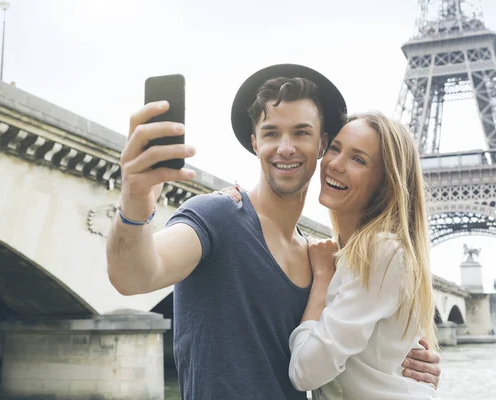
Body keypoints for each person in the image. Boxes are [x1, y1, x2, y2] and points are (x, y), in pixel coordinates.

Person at [106, 64, 440, 400]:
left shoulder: (320, 259)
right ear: (254, 142)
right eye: (270, 133)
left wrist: (409, 366)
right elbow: (134, 277)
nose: (285, 147)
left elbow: (355, 350)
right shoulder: (217, 216)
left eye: (300, 133)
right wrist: (134, 199)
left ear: (321, 143)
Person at [224, 111, 439, 399]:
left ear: (385, 183)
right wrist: (233, 206)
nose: (335, 164)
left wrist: (323, 280)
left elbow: (305, 372)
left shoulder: (381, 252)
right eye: (335, 149)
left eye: (358, 159)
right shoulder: (341, 253)